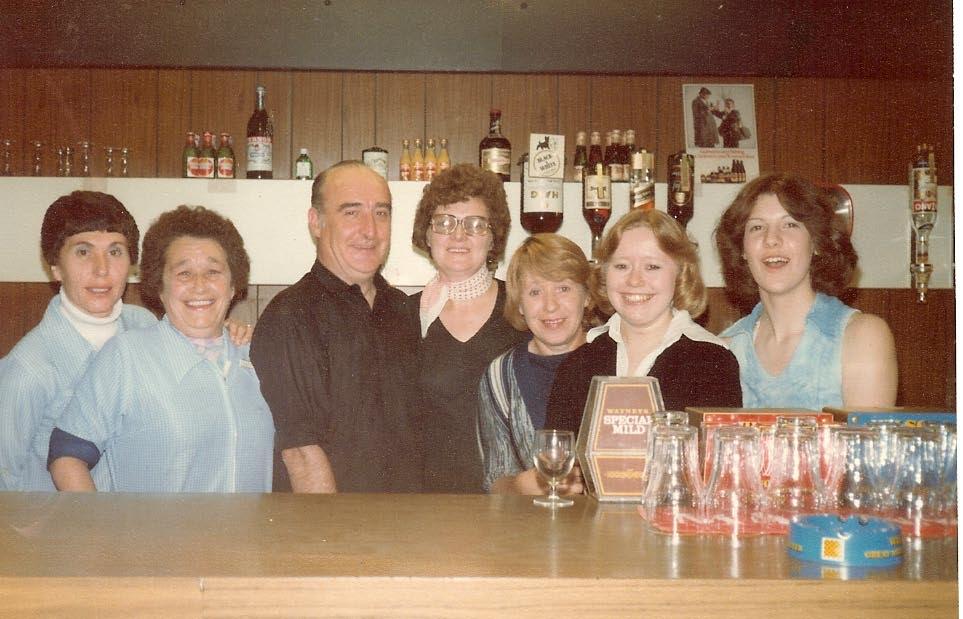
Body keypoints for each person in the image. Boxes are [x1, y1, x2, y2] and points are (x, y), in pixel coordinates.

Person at [48, 205, 274, 492]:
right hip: (154, 537)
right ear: (159, 286)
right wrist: (102, 532)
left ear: (233, 286)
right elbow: (67, 455)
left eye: (213, 272)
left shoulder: (256, 357)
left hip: (251, 536)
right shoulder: (127, 356)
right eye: (183, 274)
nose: (200, 286)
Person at [251, 161, 420, 493]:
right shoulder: (290, 316)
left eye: (381, 213)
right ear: (316, 222)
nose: (370, 230)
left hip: (408, 530)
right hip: (335, 532)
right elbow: (302, 453)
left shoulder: (403, 310)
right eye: (351, 213)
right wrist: (332, 542)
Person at [0, 191, 155, 491]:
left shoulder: (145, 327)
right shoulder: (28, 369)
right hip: (61, 534)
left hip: (141, 524)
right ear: (55, 267)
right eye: (83, 252)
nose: (101, 269)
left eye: (115, 251)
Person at [545, 209, 742, 434]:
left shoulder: (713, 364)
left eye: (652, 267)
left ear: (680, 274)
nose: (635, 280)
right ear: (604, 273)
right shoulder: (577, 366)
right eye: (621, 266)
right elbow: (560, 460)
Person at [715, 173, 898, 409]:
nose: (771, 239)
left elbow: (866, 444)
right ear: (742, 249)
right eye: (757, 227)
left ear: (817, 243)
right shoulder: (725, 348)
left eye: (790, 224)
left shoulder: (862, 336)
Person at [410, 163, 527, 493]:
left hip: (511, 505)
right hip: (427, 507)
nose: (458, 235)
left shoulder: (524, 308)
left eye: (475, 224)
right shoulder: (403, 315)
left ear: (493, 238)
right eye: (444, 223)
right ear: (427, 235)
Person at [477, 234, 594, 495]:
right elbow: (495, 481)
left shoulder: (617, 364)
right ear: (519, 304)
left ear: (586, 296)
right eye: (535, 292)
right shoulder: (499, 377)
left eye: (563, 288)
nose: (550, 306)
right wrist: (523, 485)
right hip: (527, 529)